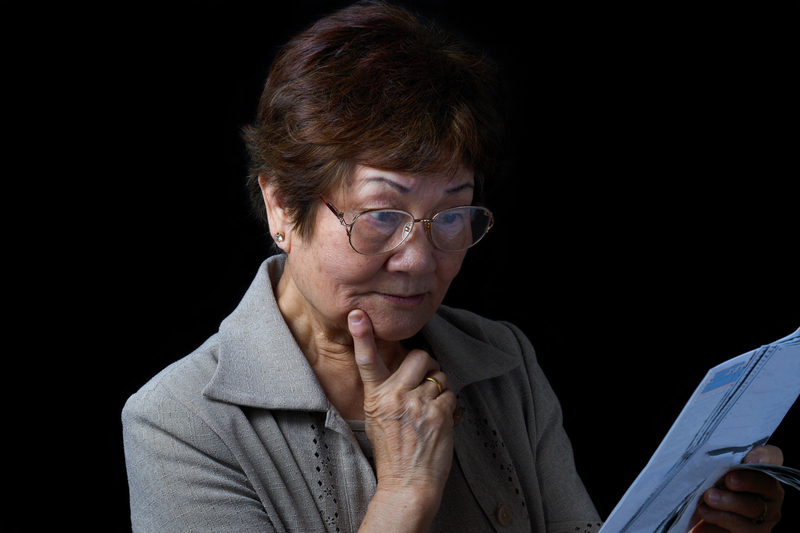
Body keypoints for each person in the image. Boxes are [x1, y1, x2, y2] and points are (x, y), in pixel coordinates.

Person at [122, 2, 786, 532]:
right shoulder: (178, 422)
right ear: (280, 206)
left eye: (451, 216)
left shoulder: (502, 361)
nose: (420, 259)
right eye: (380, 214)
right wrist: (404, 492)